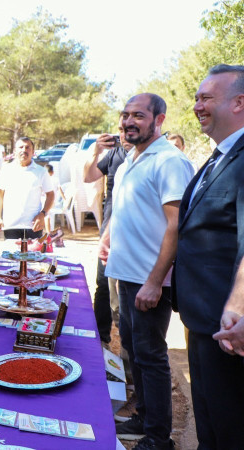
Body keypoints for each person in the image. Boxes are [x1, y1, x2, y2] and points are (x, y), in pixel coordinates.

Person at [101, 93, 193, 450]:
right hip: (126, 276)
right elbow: (126, 209)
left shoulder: (169, 160)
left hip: (150, 280)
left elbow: (176, 226)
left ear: (160, 119)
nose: (128, 121)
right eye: (125, 115)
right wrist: (107, 239)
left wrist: (155, 281)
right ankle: (143, 414)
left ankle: (158, 437)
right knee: (135, 352)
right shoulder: (128, 161)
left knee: (151, 356)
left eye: (138, 115)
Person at [173, 65, 244, 449]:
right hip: (202, 321)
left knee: (230, 429)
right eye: (197, 97)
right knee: (210, 429)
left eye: (206, 98)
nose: (197, 105)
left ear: (239, 102)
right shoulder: (218, 157)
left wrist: (240, 310)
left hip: (229, 329)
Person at [84, 122, 133, 346]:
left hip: (133, 238)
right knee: (103, 286)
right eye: (120, 130)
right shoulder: (115, 155)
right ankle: (100, 338)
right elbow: (88, 176)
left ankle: (127, 351)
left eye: (128, 129)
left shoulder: (151, 158)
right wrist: (95, 151)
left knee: (126, 295)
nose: (124, 135)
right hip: (108, 233)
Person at [0, 137, 54, 239]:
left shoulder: (41, 172)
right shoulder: (6, 170)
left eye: (27, 147)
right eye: (21, 147)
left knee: (33, 254)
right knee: (11, 255)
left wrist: (43, 214)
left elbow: (51, 195)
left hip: (34, 226)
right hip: (11, 226)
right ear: (15, 151)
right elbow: (0, 195)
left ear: (33, 151)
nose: (24, 150)